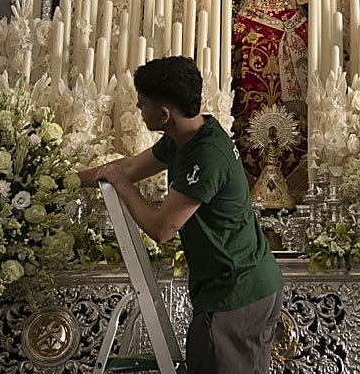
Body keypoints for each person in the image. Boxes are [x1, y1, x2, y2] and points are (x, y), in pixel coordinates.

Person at [78, 56, 284, 374]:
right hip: (234, 288)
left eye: (142, 102)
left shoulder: (206, 154)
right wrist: (66, 180)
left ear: (163, 114)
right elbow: (128, 168)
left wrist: (121, 185)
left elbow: (162, 229)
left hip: (237, 292)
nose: (137, 106)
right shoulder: (185, 136)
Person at [223, 0, 315, 199]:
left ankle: (292, 167)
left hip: (289, 26)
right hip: (251, 24)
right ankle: (247, 165)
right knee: (245, 86)